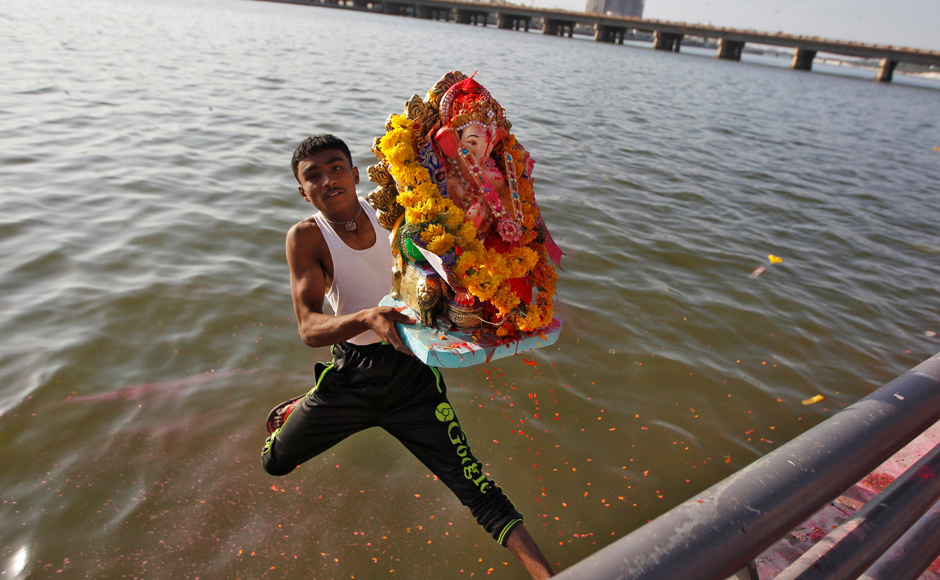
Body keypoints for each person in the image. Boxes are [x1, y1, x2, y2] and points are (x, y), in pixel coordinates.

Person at [260, 134, 555, 579]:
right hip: (353, 376)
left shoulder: (394, 212)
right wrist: (367, 318)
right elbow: (309, 328)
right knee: (275, 463)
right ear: (303, 191)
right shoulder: (306, 237)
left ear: (356, 174)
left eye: (336, 167)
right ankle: (299, 409)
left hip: (413, 373)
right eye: (313, 176)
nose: (328, 180)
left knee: (477, 489)